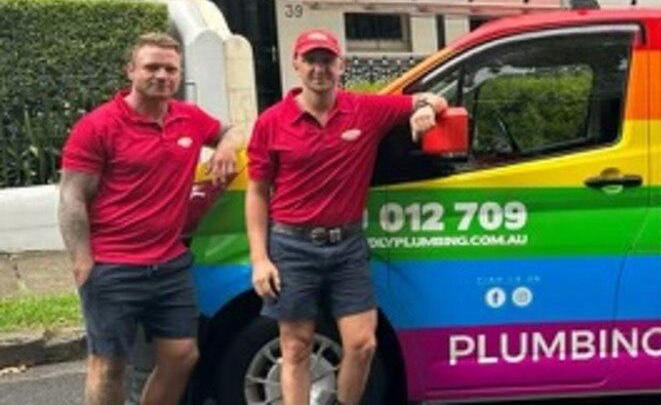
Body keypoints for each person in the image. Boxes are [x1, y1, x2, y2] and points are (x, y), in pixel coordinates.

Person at [246, 28, 445, 405]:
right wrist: (260, 258)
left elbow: (433, 98)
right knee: (296, 347)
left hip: (348, 246)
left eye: (327, 60)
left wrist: (422, 111)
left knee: (363, 344)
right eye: (310, 60)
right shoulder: (271, 121)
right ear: (296, 65)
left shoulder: (365, 109)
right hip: (291, 245)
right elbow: (257, 192)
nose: (319, 69)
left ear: (342, 65)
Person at [59, 32, 243, 405]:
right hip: (113, 266)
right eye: (152, 67)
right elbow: (72, 195)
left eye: (170, 69)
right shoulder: (98, 126)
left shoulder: (189, 119)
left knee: (181, 356)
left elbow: (234, 130)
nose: (162, 75)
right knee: (109, 365)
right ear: (131, 70)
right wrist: (82, 260)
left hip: (170, 265)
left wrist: (225, 147)